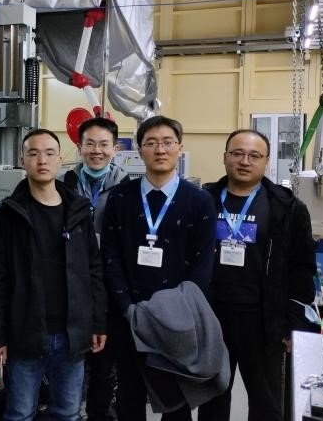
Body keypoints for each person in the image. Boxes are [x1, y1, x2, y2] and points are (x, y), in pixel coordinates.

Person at [0, 128, 108, 421]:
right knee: (20, 413)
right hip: (24, 333)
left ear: (60, 160)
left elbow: (93, 270)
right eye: (33, 153)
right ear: (22, 160)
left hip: (71, 334)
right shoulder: (6, 218)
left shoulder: (78, 213)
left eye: (49, 153)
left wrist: (98, 321)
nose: (42, 160)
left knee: (67, 412)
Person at [101, 115, 216, 421]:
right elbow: (110, 256)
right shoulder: (120, 198)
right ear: (139, 150)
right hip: (130, 315)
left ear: (180, 147)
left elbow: (203, 263)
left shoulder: (199, 201)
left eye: (167, 142)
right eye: (151, 143)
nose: (160, 149)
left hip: (177, 320)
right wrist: (127, 307)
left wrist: (181, 310)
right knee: (129, 398)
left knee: (176, 402)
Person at [197, 129, 316, 421]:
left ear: (266, 161)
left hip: (264, 321)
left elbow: (302, 269)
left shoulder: (287, 208)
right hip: (212, 317)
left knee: (266, 405)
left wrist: (293, 322)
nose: (244, 161)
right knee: (211, 403)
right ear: (225, 157)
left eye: (254, 155)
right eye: (237, 153)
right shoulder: (203, 201)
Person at [62, 117, 128, 421]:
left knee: (104, 361)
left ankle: (100, 413)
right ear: (79, 146)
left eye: (104, 145)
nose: (96, 151)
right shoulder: (64, 183)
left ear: (115, 149)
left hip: (110, 284)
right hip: (71, 282)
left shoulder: (126, 187)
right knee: (70, 359)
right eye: (90, 144)